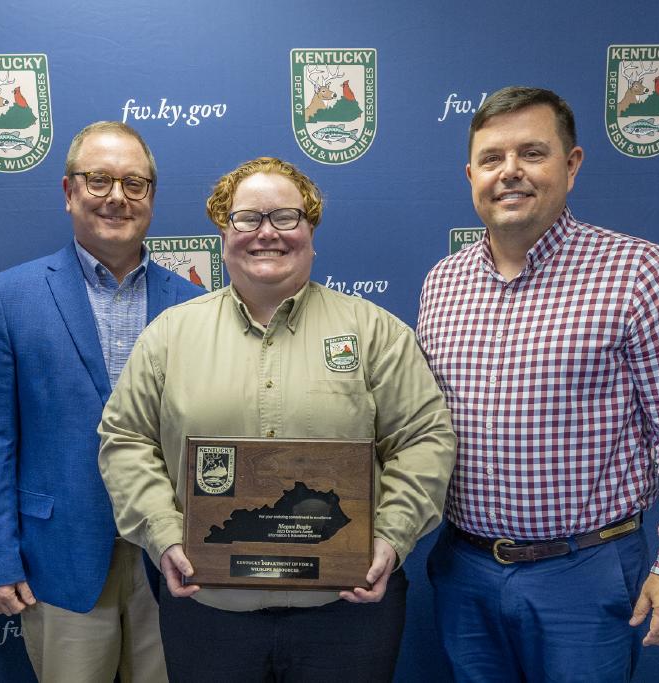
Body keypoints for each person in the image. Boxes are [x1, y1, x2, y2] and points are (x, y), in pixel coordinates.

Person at [98, 156, 456, 682]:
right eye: (247, 218)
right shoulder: (170, 337)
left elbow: (424, 439)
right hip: (208, 613)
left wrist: (391, 536)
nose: (266, 233)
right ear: (224, 232)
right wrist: (165, 535)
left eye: (285, 217)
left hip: (347, 615)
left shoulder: (375, 332)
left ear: (310, 230)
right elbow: (125, 439)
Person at [417, 86, 659, 682]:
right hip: (464, 570)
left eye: (532, 153)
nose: (510, 173)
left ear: (571, 165)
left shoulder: (637, 271)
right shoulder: (443, 282)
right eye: (491, 159)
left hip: (585, 572)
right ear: (470, 174)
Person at [0, 121, 203, 682]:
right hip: (59, 555)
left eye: (133, 183)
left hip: (172, 561)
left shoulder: (194, 305)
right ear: (68, 192)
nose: (116, 196)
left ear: (151, 198)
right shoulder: (10, 296)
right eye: (98, 181)